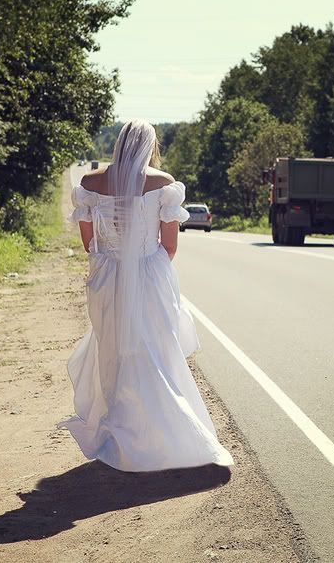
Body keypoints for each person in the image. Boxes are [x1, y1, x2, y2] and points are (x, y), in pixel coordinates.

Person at [63, 119, 233, 471]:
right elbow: (168, 246)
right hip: (148, 276)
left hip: (106, 279)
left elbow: (88, 244)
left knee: (112, 352)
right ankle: (164, 434)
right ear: (149, 146)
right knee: (155, 352)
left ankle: (119, 432)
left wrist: (114, 261)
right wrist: (141, 267)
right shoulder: (164, 184)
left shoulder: (90, 184)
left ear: (120, 144)